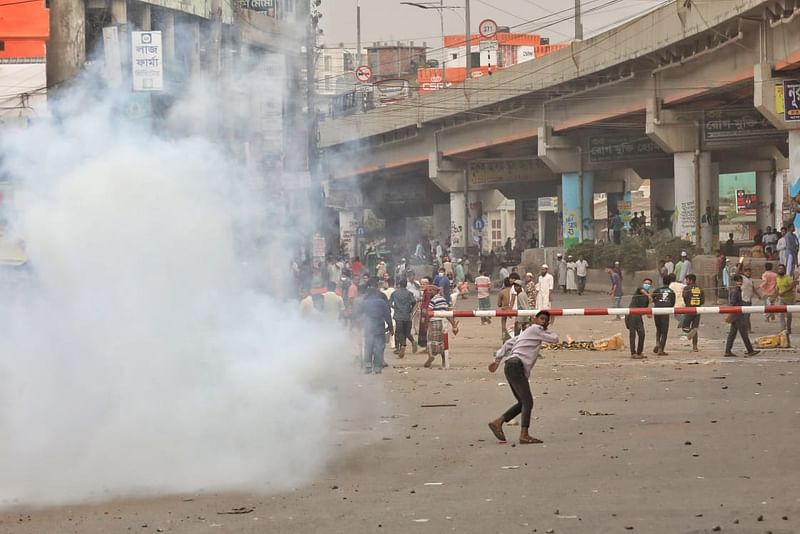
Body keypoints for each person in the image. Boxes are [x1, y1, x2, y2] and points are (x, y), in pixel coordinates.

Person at [487, 311, 559, 445]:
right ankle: (524, 435)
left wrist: (497, 360)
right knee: (528, 402)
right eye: (542, 319)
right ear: (535, 319)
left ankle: (498, 422)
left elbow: (508, 343)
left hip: (510, 366)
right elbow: (555, 338)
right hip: (516, 366)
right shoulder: (535, 329)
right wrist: (546, 328)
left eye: (546, 320)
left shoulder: (525, 334)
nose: (543, 322)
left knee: (522, 402)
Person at [360, 283, 394, 374]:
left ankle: (368, 366)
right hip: (379, 327)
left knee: (368, 346)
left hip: (368, 327)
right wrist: (391, 328)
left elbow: (359, 315)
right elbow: (387, 316)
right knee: (379, 347)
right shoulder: (381, 302)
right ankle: (377, 367)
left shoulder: (364, 302)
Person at [724, 274, 759, 357]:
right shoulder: (735, 291)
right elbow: (732, 304)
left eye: (741, 281)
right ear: (735, 282)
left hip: (737, 315)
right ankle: (750, 350)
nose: (740, 282)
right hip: (737, 315)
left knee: (732, 334)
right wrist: (730, 315)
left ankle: (727, 351)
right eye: (738, 281)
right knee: (743, 333)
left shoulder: (738, 290)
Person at [425, 285, 459, 368]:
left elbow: (429, 312)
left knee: (430, 341)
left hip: (435, 322)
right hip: (444, 323)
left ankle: (430, 356)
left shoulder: (433, 300)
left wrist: (426, 320)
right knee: (442, 342)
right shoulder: (443, 300)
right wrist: (454, 325)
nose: (428, 292)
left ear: (434, 291)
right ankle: (444, 361)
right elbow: (447, 313)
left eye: (430, 290)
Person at [390, 279, 418, 358]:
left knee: (399, 332)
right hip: (407, 315)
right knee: (407, 332)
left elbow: (389, 303)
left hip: (398, 315)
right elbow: (414, 301)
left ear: (399, 285)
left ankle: (401, 347)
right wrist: (411, 309)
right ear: (406, 285)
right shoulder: (409, 293)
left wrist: (394, 307)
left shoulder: (394, 293)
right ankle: (412, 341)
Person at [625, 281, 652, 359]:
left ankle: (639, 352)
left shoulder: (647, 297)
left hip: (638, 316)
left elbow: (646, 308)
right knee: (632, 334)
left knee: (642, 334)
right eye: (646, 283)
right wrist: (648, 295)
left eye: (649, 284)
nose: (647, 285)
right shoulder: (640, 290)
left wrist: (649, 312)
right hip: (631, 315)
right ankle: (633, 353)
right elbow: (641, 290)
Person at [651, 275, 676, 355]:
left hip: (657, 310)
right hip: (665, 311)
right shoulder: (671, 292)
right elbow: (672, 303)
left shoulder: (657, 290)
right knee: (664, 331)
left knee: (658, 329)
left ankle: (657, 343)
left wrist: (657, 303)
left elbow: (652, 299)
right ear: (670, 282)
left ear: (662, 281)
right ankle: (661, 349)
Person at [681, 274, 704, 352]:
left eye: (687, 280)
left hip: (689, 309)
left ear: (690, 280)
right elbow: (702, 300)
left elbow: (684, 298)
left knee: (684, 326)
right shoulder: (700, 288)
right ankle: (695, 347)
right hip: (698, 309)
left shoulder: (686, 288)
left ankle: (691, 331)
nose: (686, 281)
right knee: (695, 328)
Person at [776, 264, 796, 334]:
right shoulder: (777, 278)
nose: (780, 270)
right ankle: (783, 329)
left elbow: (791, 287)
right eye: (779, 269)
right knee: (781, 314)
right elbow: (777, 287)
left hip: (789, 299)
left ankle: (789, 328)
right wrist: (776, 293)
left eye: (782, 269)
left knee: (789, 315)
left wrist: (783, 292)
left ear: (784, 270)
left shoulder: (788, 278)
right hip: (781, 299)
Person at [497, 277, 513, 342]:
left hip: (504, 311)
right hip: (513, 311)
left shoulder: (502, 292)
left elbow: (499, 304)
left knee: (504, 327)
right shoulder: (514, 291)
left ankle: (505, 341)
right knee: (512, 327)